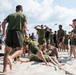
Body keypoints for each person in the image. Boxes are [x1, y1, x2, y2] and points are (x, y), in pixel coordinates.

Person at [2, 5, 27, 73]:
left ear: (16, 9)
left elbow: (3, 23)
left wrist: (3, 32)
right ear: (22, 10)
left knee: (6, 52)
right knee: (21, 50)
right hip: (18, 33)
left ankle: (4, 69)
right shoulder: (23, 15)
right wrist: (24, 34)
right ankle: (11, 57)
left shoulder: (10, 15)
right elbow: (24, 26)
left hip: (9, 33)